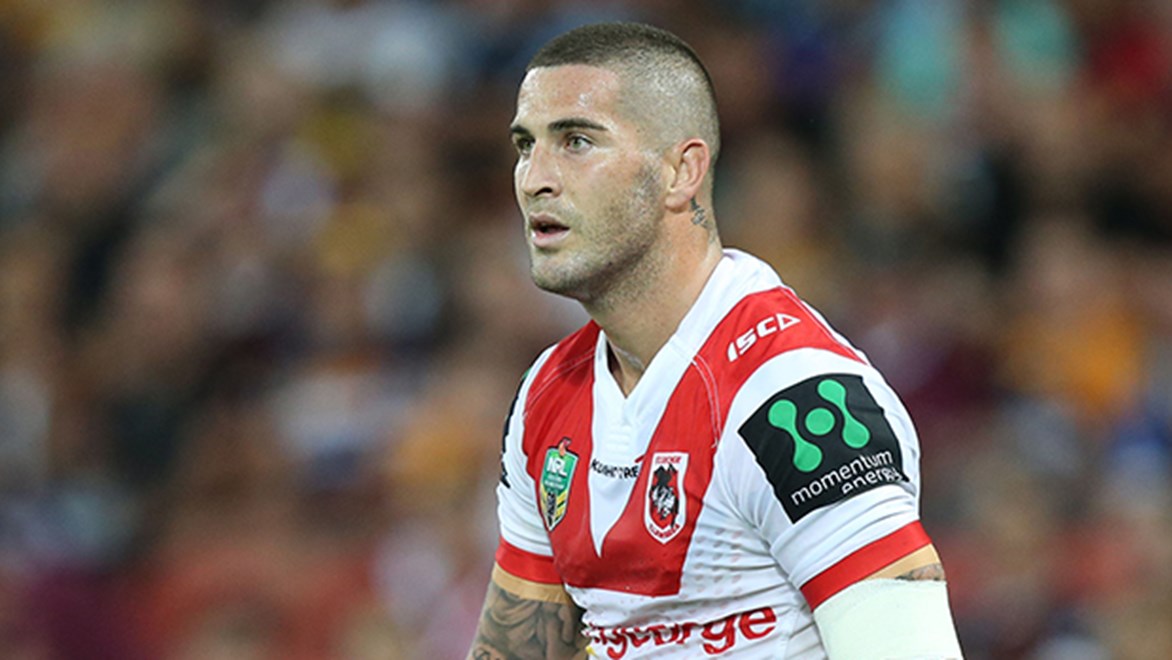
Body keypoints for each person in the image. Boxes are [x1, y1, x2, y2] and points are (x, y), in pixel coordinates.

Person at [467, 22, 963, 659]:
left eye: (577, 141)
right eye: (525, 145)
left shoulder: (794, 398)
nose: (534, 178)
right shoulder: (547, 393)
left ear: (682, 171)